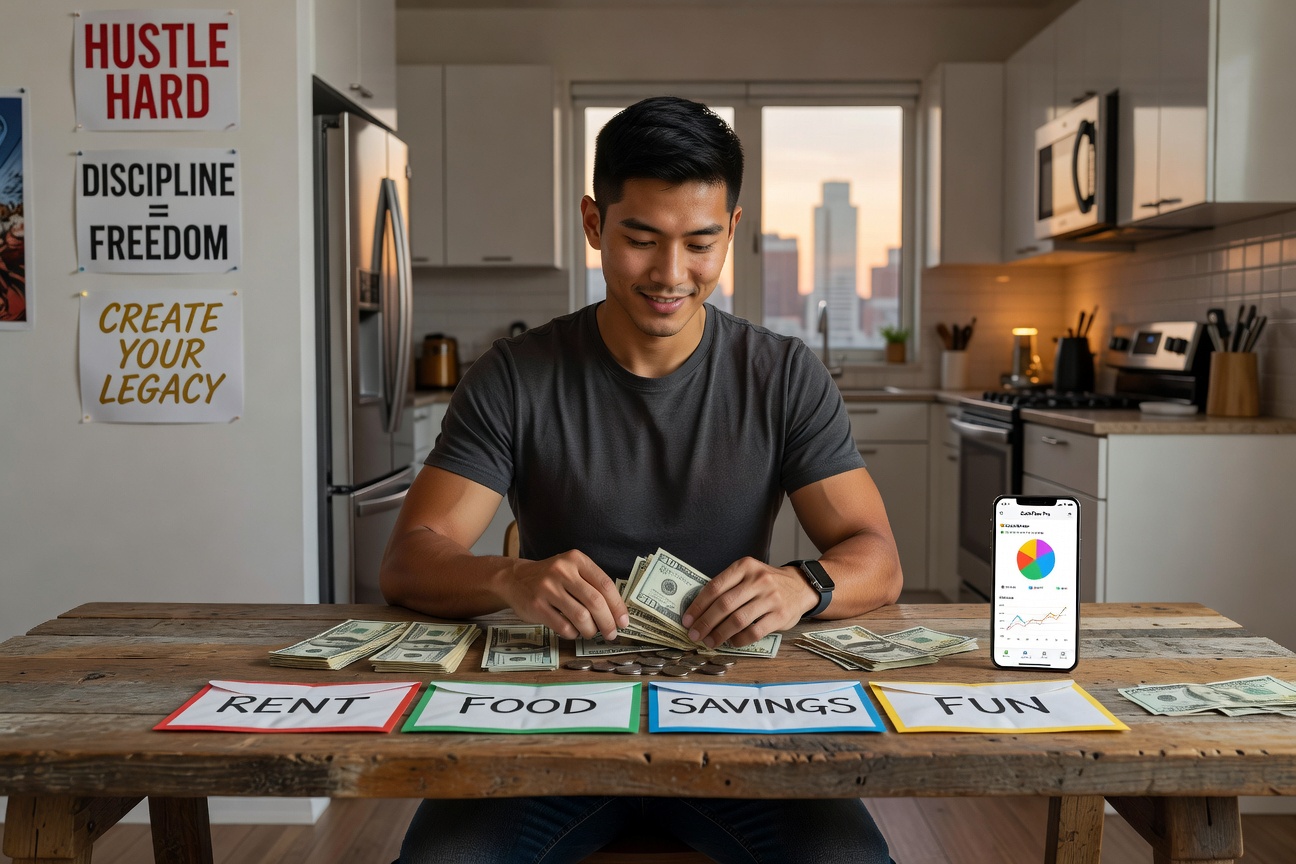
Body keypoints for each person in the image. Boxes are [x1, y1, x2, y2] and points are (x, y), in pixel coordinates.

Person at [379, 95, 902, 864]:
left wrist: (802, 585)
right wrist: (511, 578)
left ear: (733, 230)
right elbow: (408, 558)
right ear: (594, 225)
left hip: (732, 720)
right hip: (553, 724)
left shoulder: (784, 377)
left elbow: (878, 558)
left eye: (699, 242)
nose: (670, 274)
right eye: (641, 239)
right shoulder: (515, 379)